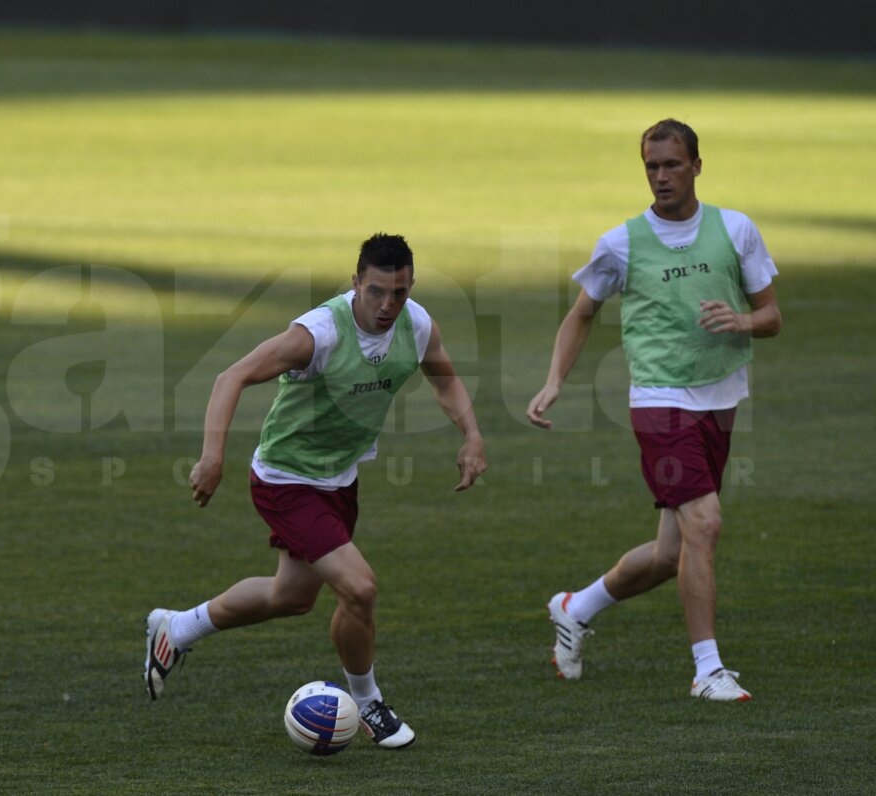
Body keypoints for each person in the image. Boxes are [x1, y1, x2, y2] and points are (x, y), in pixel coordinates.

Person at [145, 233, 487, 748]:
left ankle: (176, 628)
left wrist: (472, 435)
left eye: (399, 292)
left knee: (291, 597)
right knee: (360, 587)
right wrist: (212, 457)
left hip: (340, 480)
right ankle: (369, 702)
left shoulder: (416, 325)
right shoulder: (318, 334)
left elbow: (445, 381)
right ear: (355, 283)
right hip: (286, 480)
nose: (388, 305)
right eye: (376, 292)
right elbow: (229, 377)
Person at [527, 119, 781, 701]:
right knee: (706, 523)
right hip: (660, 401)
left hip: (720, 397)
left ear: (696, 165)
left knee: (672, 553)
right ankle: (707, 668)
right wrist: (553, 382)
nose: (660, 176)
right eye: (651, 166)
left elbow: (771, 316)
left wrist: (740, 320)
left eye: (671, 164)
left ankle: (576, 606)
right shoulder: (621, 243)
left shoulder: (735, 230)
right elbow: (581, 314)